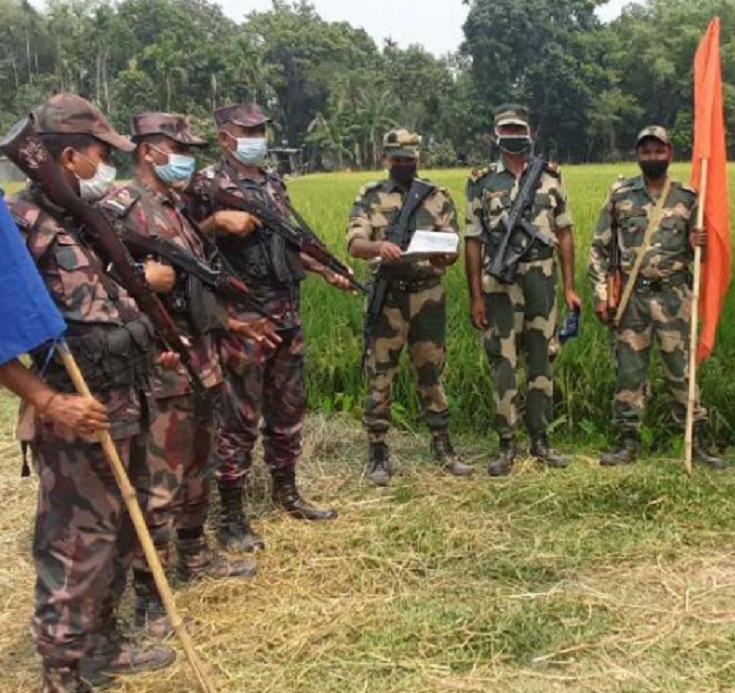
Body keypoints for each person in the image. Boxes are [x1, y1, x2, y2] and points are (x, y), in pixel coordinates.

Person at [0, 93, 174, 692]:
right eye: (101, 152)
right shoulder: (19, 225)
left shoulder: (85, 219)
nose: (108, 162)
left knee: (121, 535)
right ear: (69, 156)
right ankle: (63, 675)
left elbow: (105, 308)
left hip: (129, 404)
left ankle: (103, 650)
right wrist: (48, 400)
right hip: (76, 419)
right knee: (76, 549)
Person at [98, 112, 261, 636]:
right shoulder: (119, 208)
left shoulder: (178, 209)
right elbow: (98, 288)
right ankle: (150, 595)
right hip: (161, 365)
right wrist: (147, 291)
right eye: (178, 147)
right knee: (160, 482)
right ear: (149, 151)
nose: (188, 156)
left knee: (199, 465)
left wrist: (230, 322)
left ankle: (195, 554)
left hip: (202, 358)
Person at [186, 102, 344, 553]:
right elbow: (181, 244)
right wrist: (215, 223)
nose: (257, 135)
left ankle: (287, 492)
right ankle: (232, 515)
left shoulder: (273, 182)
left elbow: (286, 244)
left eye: (261, 128)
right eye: (247, 129)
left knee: (287, 411)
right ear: (224, 137)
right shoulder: (206, 185)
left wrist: (324, 269)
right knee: (237, 420)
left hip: (285, 315)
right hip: (241, 321)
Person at [587, 125, 723, 468]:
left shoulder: (688, 196)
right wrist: (602, 295)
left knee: (682, 373)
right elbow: (600, 248)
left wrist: (699, 246)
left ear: (669, 154)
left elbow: (705, 256)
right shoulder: (621, 195)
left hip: (674, 297)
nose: (652, 157)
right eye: (645, 151)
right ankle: (627, 442)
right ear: (637, 155)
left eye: (658, 151)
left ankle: (696, 442)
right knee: (629, 374)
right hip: (633, 297)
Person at [347, 129, 471, 485]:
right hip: (389, 296)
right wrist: (378, 248)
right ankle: (378, 452)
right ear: (386, 159)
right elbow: (355, 243)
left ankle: (443, 445)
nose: (403, 165)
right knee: (380, 375)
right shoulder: (370, 196)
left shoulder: (437, 197)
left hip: (428, 294)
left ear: (419, 159)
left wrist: (444, 253)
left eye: (409, 159)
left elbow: (453, 248)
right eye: (397, 159)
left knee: (432, 372)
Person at [464, 104, 581, 476]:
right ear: (496, 135)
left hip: (542, 277)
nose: (514, 136)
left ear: (528, 133)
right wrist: (476, 297)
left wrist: (570, 287)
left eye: (519, 130)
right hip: (499, 283)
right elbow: (473, 241)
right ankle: (506, 445)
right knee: (504, 361)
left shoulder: (549, 176)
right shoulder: (481, 181)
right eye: (507, 130)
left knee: (543, 356)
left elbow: (564, 233)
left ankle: (540, 440)